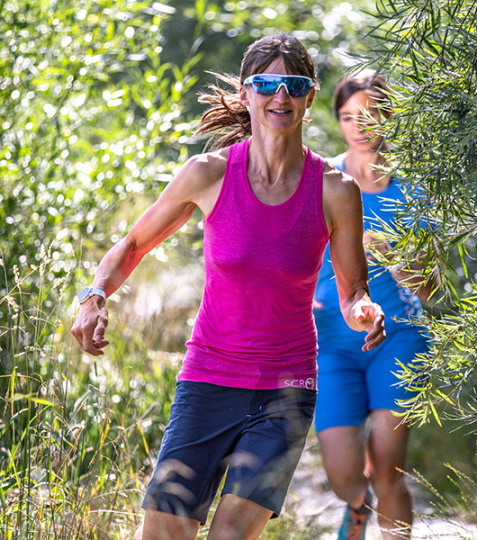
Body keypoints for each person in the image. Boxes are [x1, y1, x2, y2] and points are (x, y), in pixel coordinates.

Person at [71, 35, 386, 540]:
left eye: (294, 85)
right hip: (208, 381)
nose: (280, 96)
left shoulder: (334, 189)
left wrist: (365, 311)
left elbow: (352, 292)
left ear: (308, 96)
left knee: (229, 536)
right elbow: (132, 245)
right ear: (246, 94)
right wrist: (93, 296)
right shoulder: (209, 174)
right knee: (163, 534)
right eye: (266, 84)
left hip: (287, 391)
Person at [313, 70, 435, 540]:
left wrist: (394, 256)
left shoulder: (415, 190)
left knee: (388, 469)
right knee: (345, 478)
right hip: (333, 343)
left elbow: (431, 290)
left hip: (400, 338)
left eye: (371, 114)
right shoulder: (321, 181)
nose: (360, 126)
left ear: (390, 116)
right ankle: (357, 509)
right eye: (347, 117)